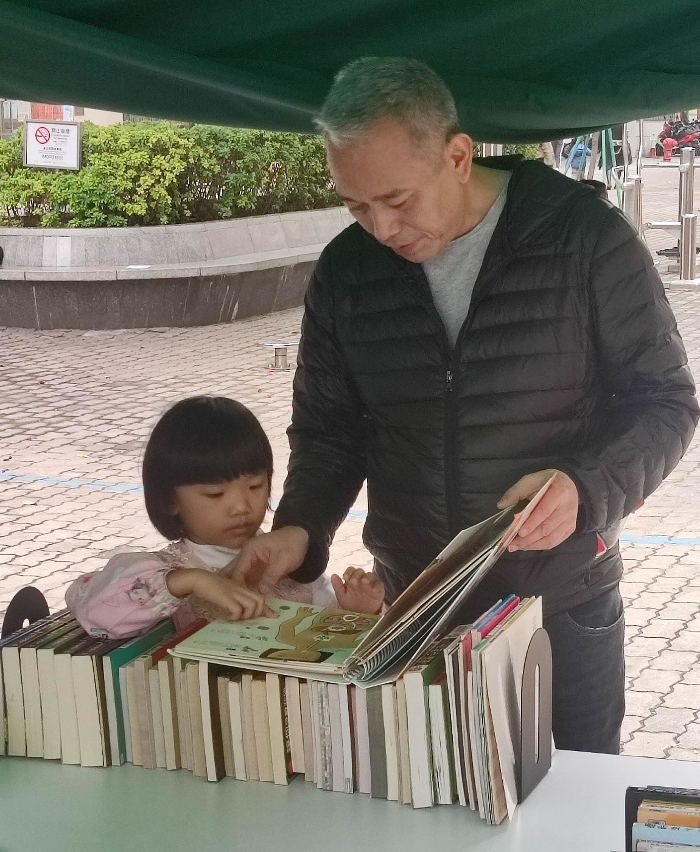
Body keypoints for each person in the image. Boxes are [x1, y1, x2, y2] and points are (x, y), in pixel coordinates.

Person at [233, 57, 698, 755]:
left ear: (457, 155)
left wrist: (585, 488)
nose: (382, 227)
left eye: (398, 199)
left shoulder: (583, 237)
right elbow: (329, 433)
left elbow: (667, 403)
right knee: (432, 793)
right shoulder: (346, 273)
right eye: (356, 206)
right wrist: (300, 530)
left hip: (561, 606)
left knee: (571, 798)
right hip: (415, 604)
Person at [65, 396, 384, 639]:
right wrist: (193, 581)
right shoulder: (165, 571)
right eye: (216, 494)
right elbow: (93, 611)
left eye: (255, 486)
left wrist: (354, 612)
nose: (241, 507)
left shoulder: (284, 563)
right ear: (169, 500)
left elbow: (320, 638)